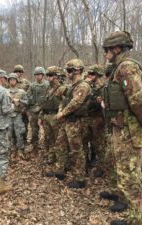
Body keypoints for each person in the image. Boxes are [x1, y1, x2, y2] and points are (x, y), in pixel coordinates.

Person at [100, 31, 142, 225]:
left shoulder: (126, 68)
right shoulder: (118, 68)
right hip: (123, 129)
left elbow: (138, 101)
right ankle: (133, 217)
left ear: (117, 48)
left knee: (132, 178)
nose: (105, 53)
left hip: (131, 131)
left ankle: (137, 221)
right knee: (126, 174)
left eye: (107, 49)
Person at [56, 59, 92, 189]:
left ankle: (80, 178)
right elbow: (64, 100)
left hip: (77, 121)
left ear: (76, 71)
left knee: (77, 150)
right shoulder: (71, 86)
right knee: (60, 145)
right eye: (67, 70)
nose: (67, 73)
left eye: (69, 71)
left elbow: (76, 103)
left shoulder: (83, 86)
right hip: (67, 121)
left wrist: (62, 113)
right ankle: (61, 170)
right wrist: (61, 110)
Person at [38, 66, 66, 164]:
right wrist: (40, 117)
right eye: (47, 75)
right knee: (49, 138)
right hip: (46, 116)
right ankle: (51, 157)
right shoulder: (48, 88)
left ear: (56, 76)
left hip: (56, 117)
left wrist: (61, 113)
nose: (48, 77)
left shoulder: (62, 88)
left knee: (58, 139)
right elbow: (44, 103)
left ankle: (61, 161)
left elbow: (65, 103)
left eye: (50, 75)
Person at [84, 64, 106, 176]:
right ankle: (86, 164)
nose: (89, 75)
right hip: (87, 118)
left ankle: (101, 167)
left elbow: (102, 104)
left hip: (98, 119)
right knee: (85, 141)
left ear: (98, 75)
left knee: (99, 144)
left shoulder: (103, 87)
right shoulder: (87, 85)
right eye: (89, 73)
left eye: (92, 74)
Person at [7, 73, 29, 158]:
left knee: (19, 133)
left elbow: (27, 102)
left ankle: (20, 150)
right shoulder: (5, 92)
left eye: (14, 80)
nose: (12, 81)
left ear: (16, 81)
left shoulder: (22, 92)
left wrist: (19, 101)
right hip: (8, 115)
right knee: (9, 134)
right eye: (10, 80)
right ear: (8, 81)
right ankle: (12, 149)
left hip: (17, 115)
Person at [27, 67, 49, 152]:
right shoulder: (32, 85)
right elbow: (28, 96)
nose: (38, 76)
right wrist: (33, 103)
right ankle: (35, 147)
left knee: (47, 130)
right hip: (35, 110)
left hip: (45, 110)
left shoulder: (47, 84)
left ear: (43, 75)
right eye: (36, 75)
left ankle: (47, 147)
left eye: (39, 74)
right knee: (34, 130)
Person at [13, 64, 31, 145]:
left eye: (20, 71)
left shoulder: (26, 82)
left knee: (24, 126)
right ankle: (15, 143)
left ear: (22, 73)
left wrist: (27, 107)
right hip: (14, 109)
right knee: (13, 127)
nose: (18, 73)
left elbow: (30, 94)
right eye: (16, 71)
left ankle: (24, 141)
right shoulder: (11, 81)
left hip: (23, 108)